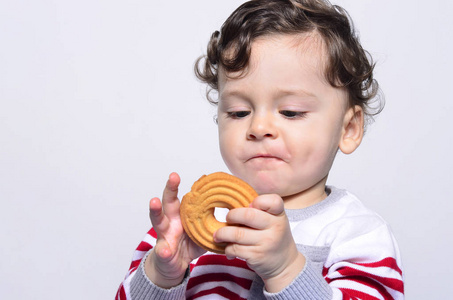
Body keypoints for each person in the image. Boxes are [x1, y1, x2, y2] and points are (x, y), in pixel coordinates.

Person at [116, 0, 404, 299]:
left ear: (349, 129)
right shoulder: (181, 234)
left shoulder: (357, 235)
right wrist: (162, 276)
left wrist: (285, 269)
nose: (258, 127)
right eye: (239, 112)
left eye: (290, 112)